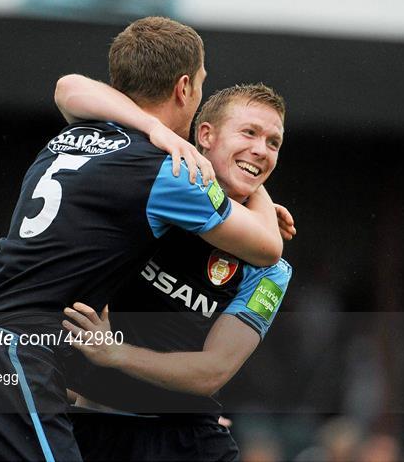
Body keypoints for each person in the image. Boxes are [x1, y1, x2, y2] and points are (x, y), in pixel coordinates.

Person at [0, 17, 283, 461]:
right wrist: (257, 194)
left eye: (273, 142)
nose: (261, 148)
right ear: (185, 89)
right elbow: (267, 246)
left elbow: (68, 88)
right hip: (14, 355)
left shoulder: (71, 137)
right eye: (201, 84)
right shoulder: (169, 173)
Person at [59, 81, 293, 461]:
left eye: (273, 143)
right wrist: (158, 131)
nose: (261, 149)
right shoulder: (153, 185)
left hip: (188, 438)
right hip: (93, 426)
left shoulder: (271, 269)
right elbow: (70, 91)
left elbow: (212, 372)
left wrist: (116, 353)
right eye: (249, 132)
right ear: (205, 135)